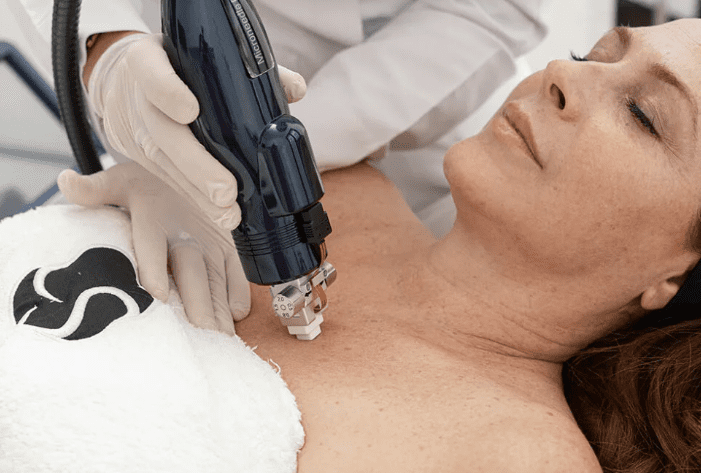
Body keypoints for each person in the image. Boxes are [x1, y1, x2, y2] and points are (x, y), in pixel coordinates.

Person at [45, 18, 701, 471]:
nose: (560, 72)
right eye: (592, 56)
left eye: (644, 115)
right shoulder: (330, 183)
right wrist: (115, 58)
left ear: (675, 275)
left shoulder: (515, 455)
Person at [8, 0, 547, 333]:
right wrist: (107, 46)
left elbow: (493, 8)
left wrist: (248, 151)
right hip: (169, 73)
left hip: (419, 104)